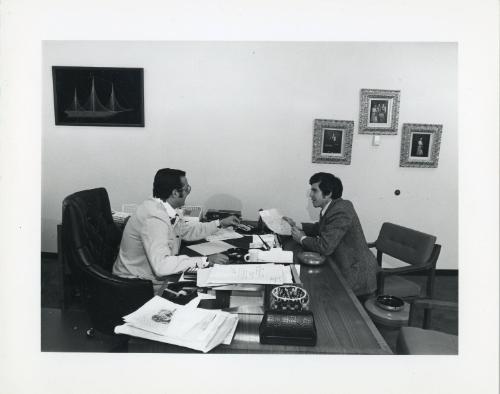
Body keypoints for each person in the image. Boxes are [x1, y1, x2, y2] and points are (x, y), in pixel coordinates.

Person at [113, 168, 240, 293]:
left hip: (149, 278)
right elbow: (162, 266)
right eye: (186, 189)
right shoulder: (154, 219)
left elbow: (186, 230)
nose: (188, 192)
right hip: (136, 286)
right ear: (175, 193)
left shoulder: (162, 207)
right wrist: (205, 260)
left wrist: (219, 223)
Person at [283, 172, 378, 297]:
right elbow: (322, 227)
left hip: (357, 274)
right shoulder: (334, 206)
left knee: (321, 296)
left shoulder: (341, 210)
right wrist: (296, 225)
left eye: (314, 190)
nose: (311, 195)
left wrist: (302, 239)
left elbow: (325, 247)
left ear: (328, 193)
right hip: (344, 265)